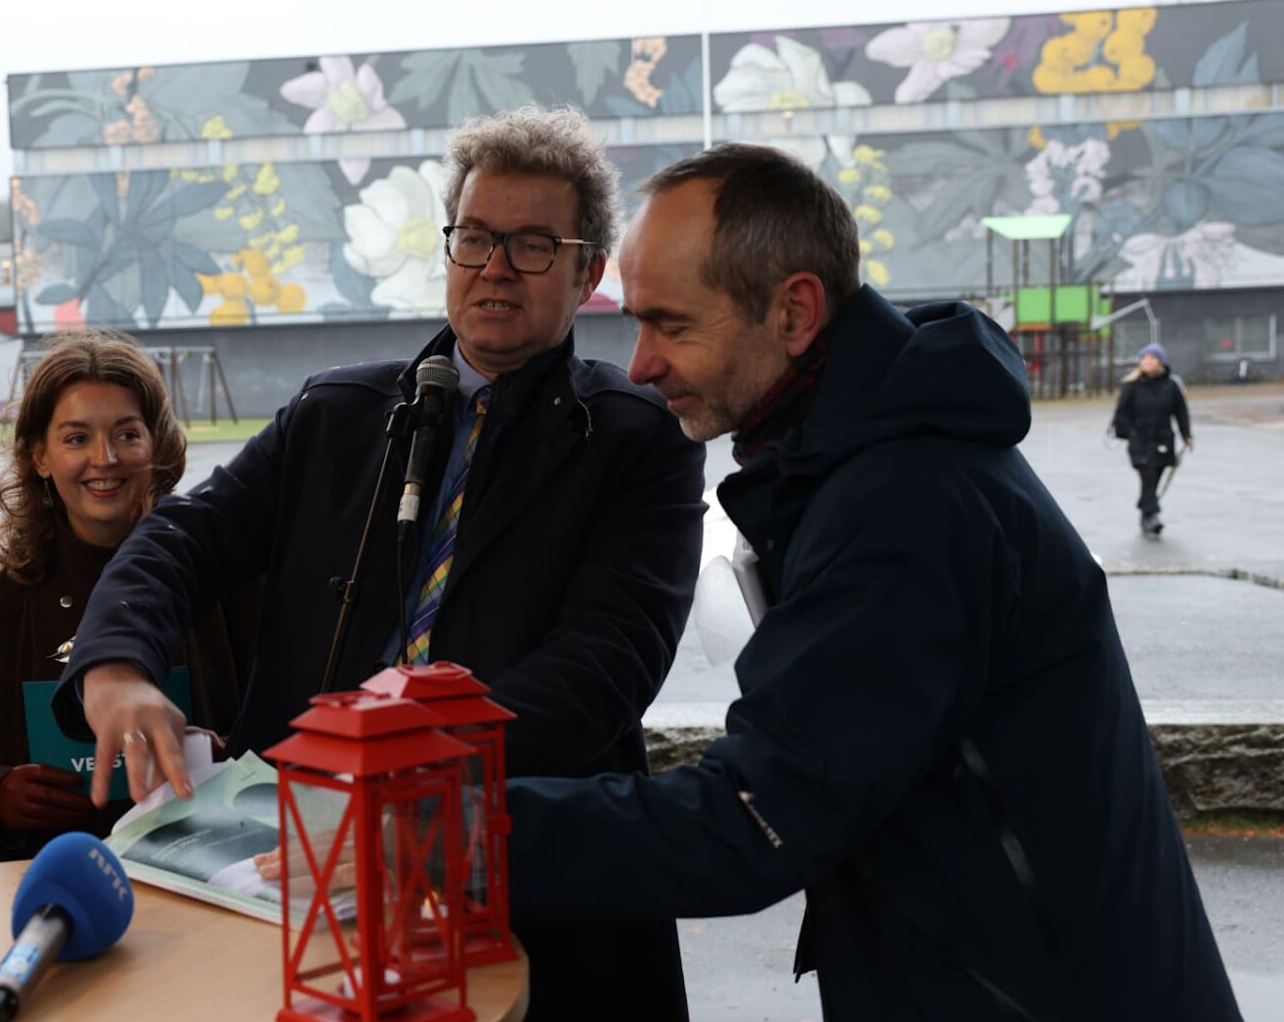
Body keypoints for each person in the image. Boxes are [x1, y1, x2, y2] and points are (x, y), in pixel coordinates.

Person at [503, 143, 1239, 1020]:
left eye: (673, 325)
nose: (640, 365)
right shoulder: (863, 456)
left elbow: (757, 818)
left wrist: (458, 835)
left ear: (795, 311)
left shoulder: (905, 502)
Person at [57, 107, 705, 1018]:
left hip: (521, 872)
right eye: (473, 238)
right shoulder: (336, 413)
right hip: (295, 872)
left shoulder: (637, 438)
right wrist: (118, 665)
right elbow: (184, 537)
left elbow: (605, 665)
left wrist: (405, 782)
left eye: (531, 246)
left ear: (587, 271)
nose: (493, 268)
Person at [0, 330, 256, 863]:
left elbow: (294, 731)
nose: (104, 458)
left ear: (156, 445)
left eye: (127, 434)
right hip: (39, 885)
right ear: (39, 455)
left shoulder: (229, 589)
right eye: (76, 438)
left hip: (209, 880)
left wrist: (221, 758)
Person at [1111, 342, 1192, 535]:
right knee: (1147, 478)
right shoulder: (1131, 386)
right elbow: (1120, 414)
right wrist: (1128, 433)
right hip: (1140, 442)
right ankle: (1153, 516)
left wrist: (1186, 435)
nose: (1147, 361)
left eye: (1152, 358)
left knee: (1154, 480)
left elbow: (1181, 412)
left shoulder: (1171, 386)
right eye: (1144, 358)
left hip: (1163, 441)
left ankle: (1146, 514)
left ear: (1161, 362)